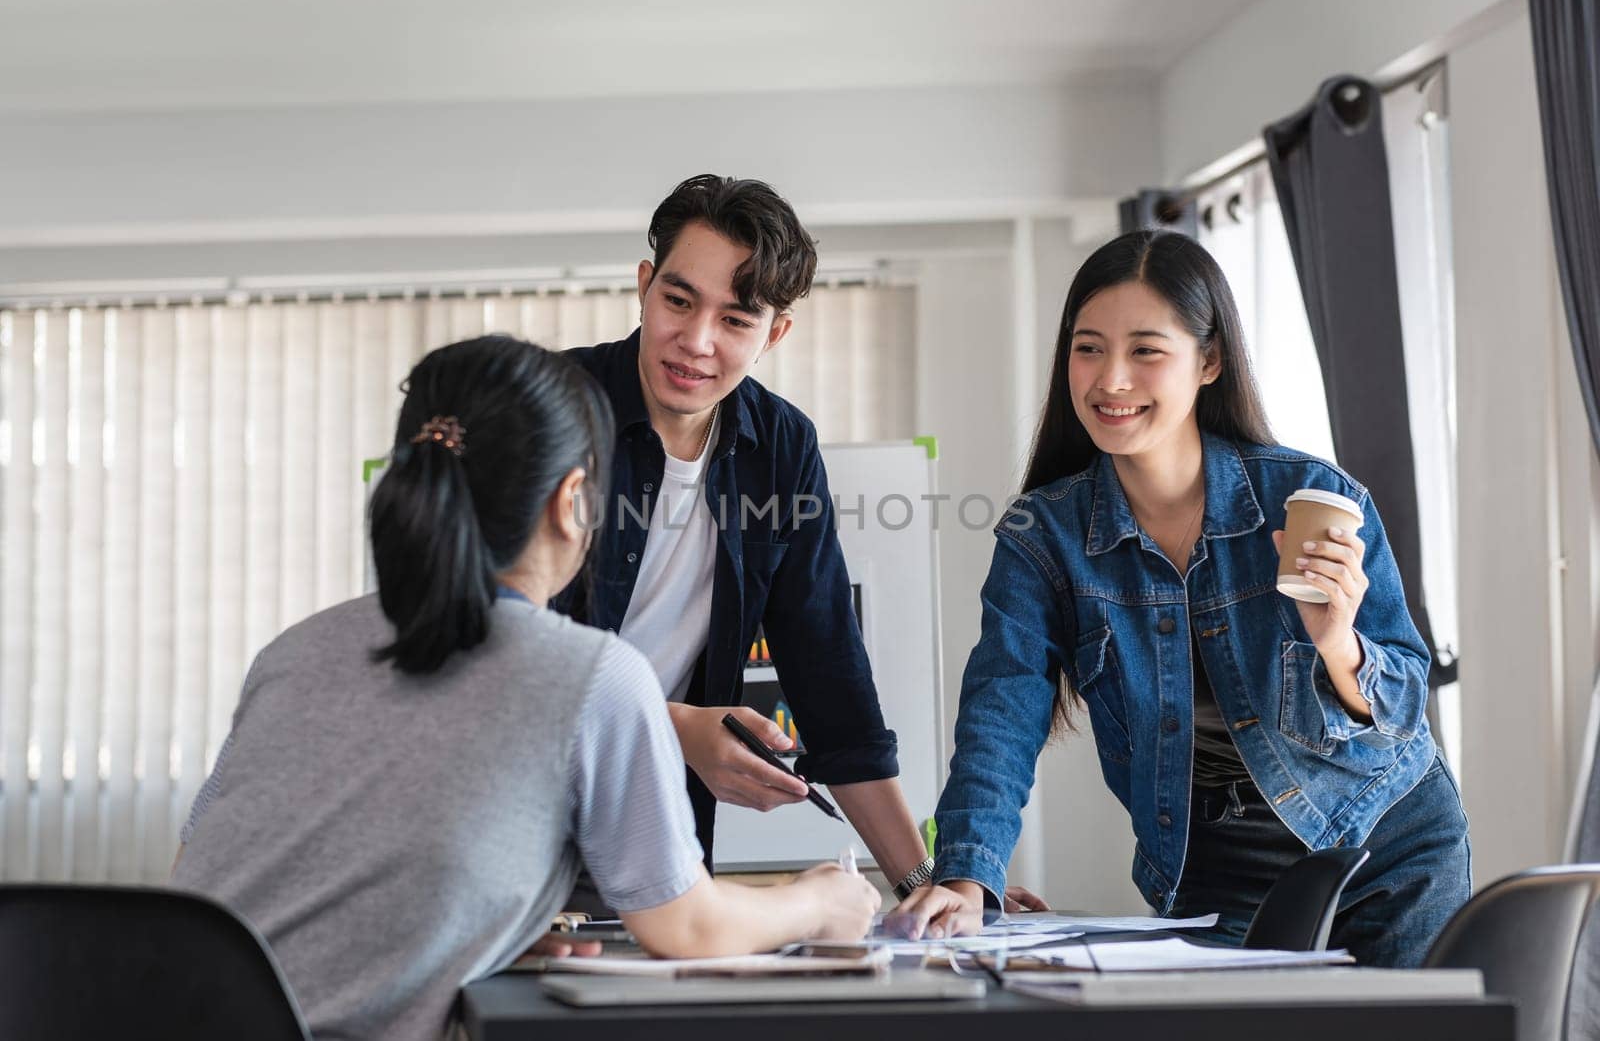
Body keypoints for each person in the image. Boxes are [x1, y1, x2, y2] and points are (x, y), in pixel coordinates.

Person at [171, 336, 879, 1041]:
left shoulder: (293, 653)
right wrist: (819, 901)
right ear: (574, 501)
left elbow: (233, 882)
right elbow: (687, 925)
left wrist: (478, 927)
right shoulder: (594, 676)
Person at [892, 230, 1470, 967]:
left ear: (1209, 359)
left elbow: (1402, 700)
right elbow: (1001, 711)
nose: (1111, 379)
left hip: (1385, 850)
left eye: (1145, 350)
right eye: (1089, 347)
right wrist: (969, 873)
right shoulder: (1044, 537)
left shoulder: (1307, 500)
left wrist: (1338, 643)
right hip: (1215, 878)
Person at [559, 174, 933, 901]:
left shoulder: (782, 447)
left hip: (652, 847)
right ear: (643, 286)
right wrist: (672, 729)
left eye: (736, 319)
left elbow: (832, 684)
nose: (696, 342)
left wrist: (924, 882)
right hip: (508, 822)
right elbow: (492, 661)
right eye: (678, 300)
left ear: (775, 332)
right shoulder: (549, 408)